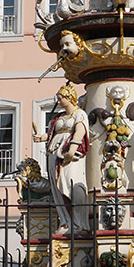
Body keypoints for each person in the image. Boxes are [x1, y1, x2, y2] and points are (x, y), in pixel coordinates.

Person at [35, 84, 91, 233]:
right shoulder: (59, 117)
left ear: (69, 97)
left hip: (69, 155)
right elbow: (53, 134)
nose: (58, 101)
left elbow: (80, 131)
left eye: (60, 98)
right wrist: (41, 137)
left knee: (72, 184)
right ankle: (65, 221)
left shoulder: (79, 114)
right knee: (57, 188)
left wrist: (72, 150)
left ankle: (78, 223)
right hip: (54, 154)